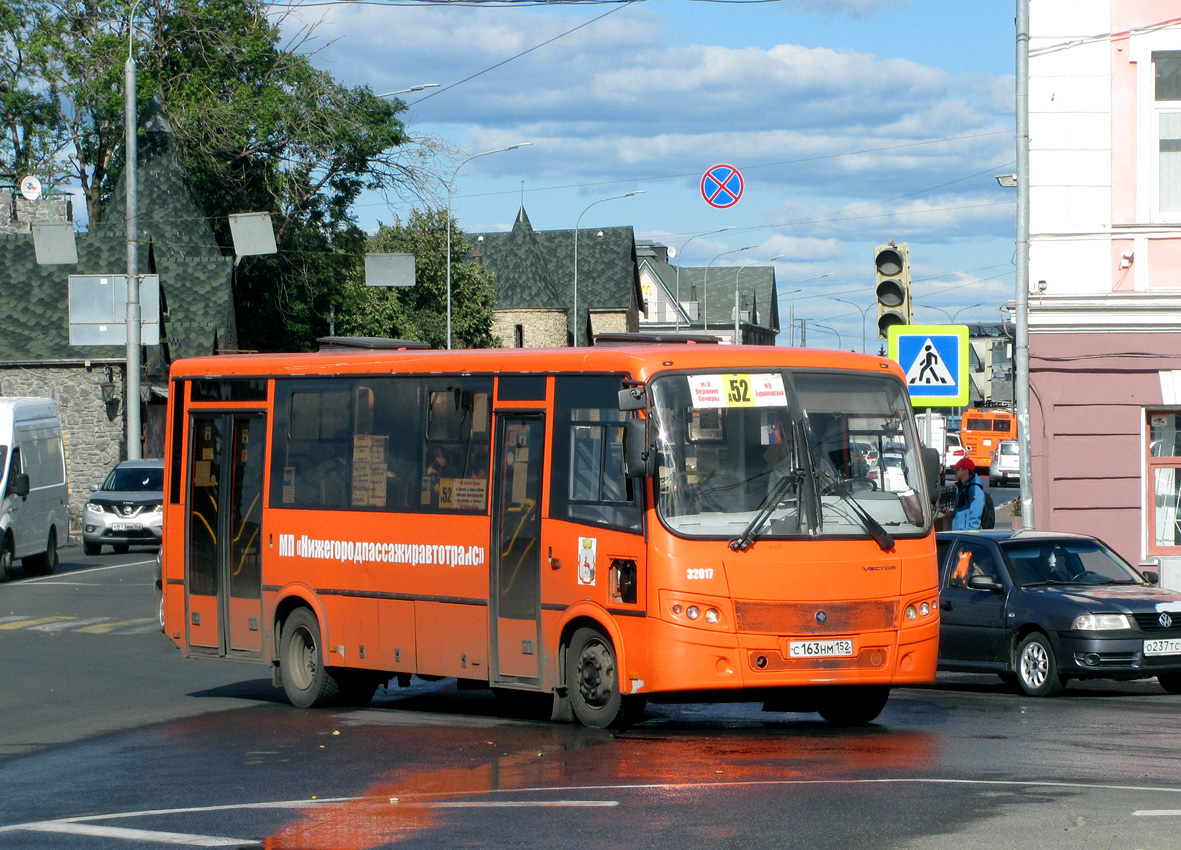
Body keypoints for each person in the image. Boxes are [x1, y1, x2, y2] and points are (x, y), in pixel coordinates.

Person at [947, 457, 985, 530]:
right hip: (960, 531)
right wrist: (952, 514)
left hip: (967, 533)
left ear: (966, 471)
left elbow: (976, 512)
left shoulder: (974, 488)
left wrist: (972, 532)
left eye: (958, 469)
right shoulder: (963, 486)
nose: (955, 471)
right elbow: (963, 511)